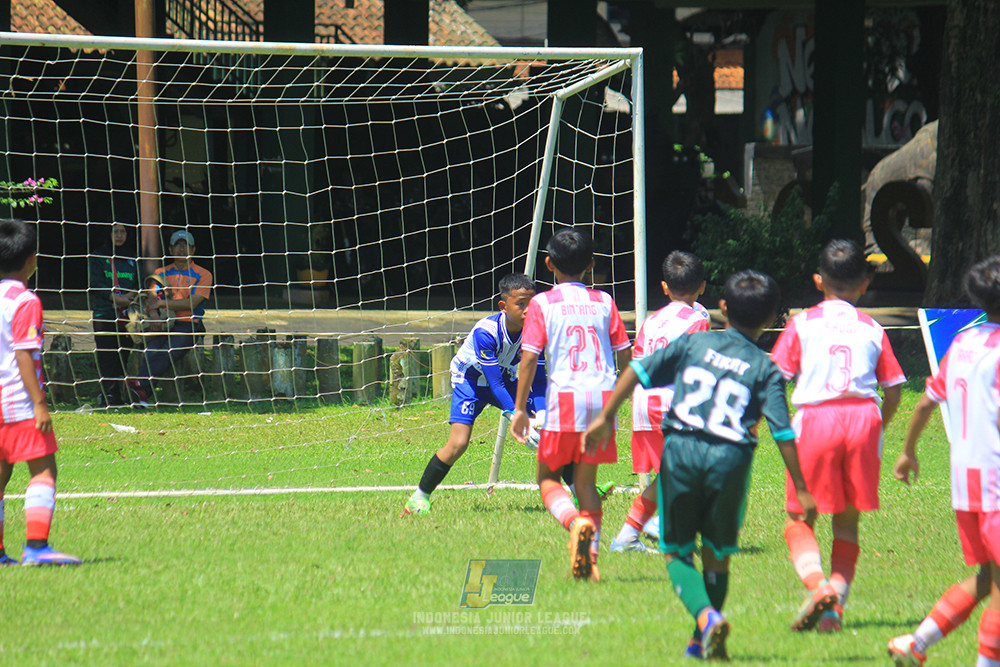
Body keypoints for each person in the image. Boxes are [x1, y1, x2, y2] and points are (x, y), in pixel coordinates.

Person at [584, 270, 816, 660]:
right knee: (716, 555)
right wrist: (803, 489)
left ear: (722, 307)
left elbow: (638, 369)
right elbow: (783, 432)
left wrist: (606, 416)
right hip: (731, 461)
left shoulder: (695, 343)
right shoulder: (766, 369)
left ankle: (706, 618)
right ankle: (701, 640)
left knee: (676, 553)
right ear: (771, 317)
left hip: (682, 452)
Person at [770, 239, 905, 632]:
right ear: (864, 283)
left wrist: (780, 423)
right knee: (847, 523)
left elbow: (774, 380)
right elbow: (894, 390)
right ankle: (833, 613)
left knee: (800, 518)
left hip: (816, 420)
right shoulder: (872, 328)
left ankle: (819, 587)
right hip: (864, 421)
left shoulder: (802, 324)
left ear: (818, 281)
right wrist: (879, 426)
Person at [889, 255, 1000, 666]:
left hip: (965, 481)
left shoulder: (962, 344)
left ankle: (916, 643)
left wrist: (907, 451)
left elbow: (925, 403)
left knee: (988, 578)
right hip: (996, 480)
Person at [509, 228, 632, 583]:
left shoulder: (542, 304)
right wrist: (619, 398)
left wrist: (520, 409)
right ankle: (591, 562)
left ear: (548, 264)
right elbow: (625, 356)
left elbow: (529, 359)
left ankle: (574, 522)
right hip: (602, 400)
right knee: (586, 484)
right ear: (591, 265)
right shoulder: (604, 301)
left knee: (548, 478)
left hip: (566, 401)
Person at [404, 274, 550, 514]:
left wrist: (542, 414)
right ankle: (419, 497)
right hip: (470, 381)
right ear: (503, 306)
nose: (527, 310)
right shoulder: (486, 332)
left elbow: (539, 379)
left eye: (531, 304)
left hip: (504, 378)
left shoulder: (536, 332)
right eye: (520, 304)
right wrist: (516, 416)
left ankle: (579, 492)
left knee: (551, 430)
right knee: (458, 443)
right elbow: (494, 384)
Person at [609, 250, 710, 554]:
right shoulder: (698, 320)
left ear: (664, 287)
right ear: (702, 286)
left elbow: (638, 363)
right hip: (673, 404)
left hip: (644, 403)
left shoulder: (652, 321)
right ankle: (658, 525)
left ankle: (629, 536)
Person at [0, 218, 81, 566]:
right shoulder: (26, 300)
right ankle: (36, 547)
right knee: (44, 471)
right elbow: (23, 353)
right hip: (17, 401)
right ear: (32, 260)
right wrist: (38, 403)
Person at [127, 230, 212, 404]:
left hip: (189, 324)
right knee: (151, 350)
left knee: (169, 350)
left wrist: (160, 304)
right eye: (177, 245)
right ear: (170, 250)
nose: (181, 249)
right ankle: (142, 394)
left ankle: (140, 385)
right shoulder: (161, 272)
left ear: (193, 250)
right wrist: (154, 315)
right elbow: (151, 298)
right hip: (163, 322)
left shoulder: (204, 274)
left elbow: (192, 303)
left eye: (186, 245)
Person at [88, 222, 141, 407]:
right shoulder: (98, 256)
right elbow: (96, 284)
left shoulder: (132, 257)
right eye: (115, 231)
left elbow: (139, 282)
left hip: (127, 315)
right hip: (105, 312)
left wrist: (129, 297)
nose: (119, 235)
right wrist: (117, 299)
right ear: (108, 233)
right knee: (106, 355)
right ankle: (107, 396)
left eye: (123, 232)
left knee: (123, 355)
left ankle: (119, 395)